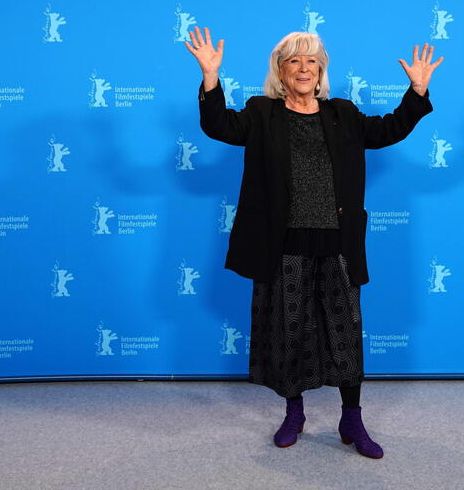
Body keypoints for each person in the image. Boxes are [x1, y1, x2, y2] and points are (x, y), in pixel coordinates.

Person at [185, 27, 443, 459]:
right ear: (280, 71)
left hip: (338, 245)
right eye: (294, 61)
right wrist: (211, 78)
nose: (303, 68)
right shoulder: (260, 113)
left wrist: (416, 93)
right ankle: (294, 412)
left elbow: (389, 130)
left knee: (347, 333)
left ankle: (352, 417)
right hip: (283, 246)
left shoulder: (343, 114)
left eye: (312, 61)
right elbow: (218, 126)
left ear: (321, 70)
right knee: (291, 332)